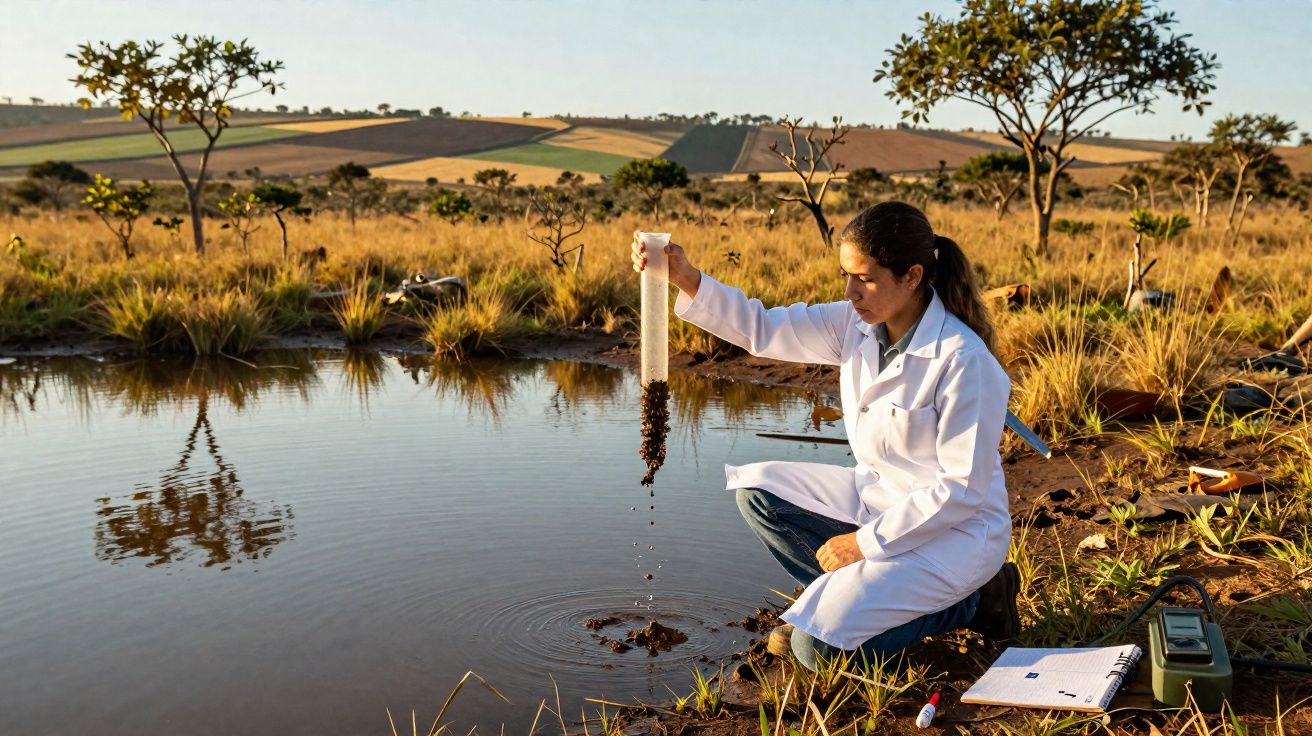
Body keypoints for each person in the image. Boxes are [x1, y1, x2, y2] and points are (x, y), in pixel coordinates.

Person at [630, 200, 1020, 670]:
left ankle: (977, 601)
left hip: (952, 535)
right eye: (846, 275)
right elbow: (763, 327)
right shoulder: (855, 324)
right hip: (879, 500)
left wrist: (862, 545)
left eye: (866, 278)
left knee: (816, 651)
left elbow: (961, 490)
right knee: (757, 494)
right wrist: (684, 276)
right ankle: (844, 600)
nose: (852, 292)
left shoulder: (963, 360)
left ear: (913, 277)